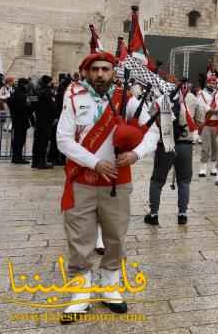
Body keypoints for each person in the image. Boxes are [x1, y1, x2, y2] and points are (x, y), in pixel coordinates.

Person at [56, 51, 159, 322]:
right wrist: (93, 162)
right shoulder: (74, 99)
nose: (100, 74)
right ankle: (80, 294)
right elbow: (63, 140)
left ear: (113, 72)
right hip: (82, 179)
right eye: (95, 69)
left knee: (115, 236)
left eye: (105, 69)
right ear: (87, 72)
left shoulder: (127, 100)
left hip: (117, 181)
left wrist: (136, 155)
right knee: (80, 237)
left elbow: (153, 132)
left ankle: (110, 286)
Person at [145, 79, 197, 226]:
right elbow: (199, 119)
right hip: (185, 144)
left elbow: (151, 116)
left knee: (157, 180)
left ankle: (153, 214)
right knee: (184, 181)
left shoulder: (161, 98)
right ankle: (182, 214)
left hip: (166, 144)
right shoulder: (192, 98)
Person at [196, 75, 218, 178]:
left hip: (217, 124)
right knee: (205, 147)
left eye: (214, 83)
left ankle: (213, 167)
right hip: (206, 123)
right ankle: (203, 167)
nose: (212, 85)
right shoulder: (201, 93)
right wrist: (214, 111)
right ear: (207, 83)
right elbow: (202, 106)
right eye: (210, 83)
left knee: (216, 147)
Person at [30, 75, 55, 169]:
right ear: (48, 82)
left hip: (38, 119)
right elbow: (52, 107)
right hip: (46, 120)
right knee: (44, 142)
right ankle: (42, 162)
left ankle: (35, 162)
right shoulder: (48, 92)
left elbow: (31, 104)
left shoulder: (36, 92)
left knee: (37, 141)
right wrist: (54, 117)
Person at [7, 78, 32, 165]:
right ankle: (17, 157)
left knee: (18, 139)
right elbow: (27, 106)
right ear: (24, 84)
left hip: (17, 119)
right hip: (21, 120)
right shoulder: (21, 94)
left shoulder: (16, 93)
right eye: (27, 84)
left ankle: (17, 156)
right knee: (19, 139)